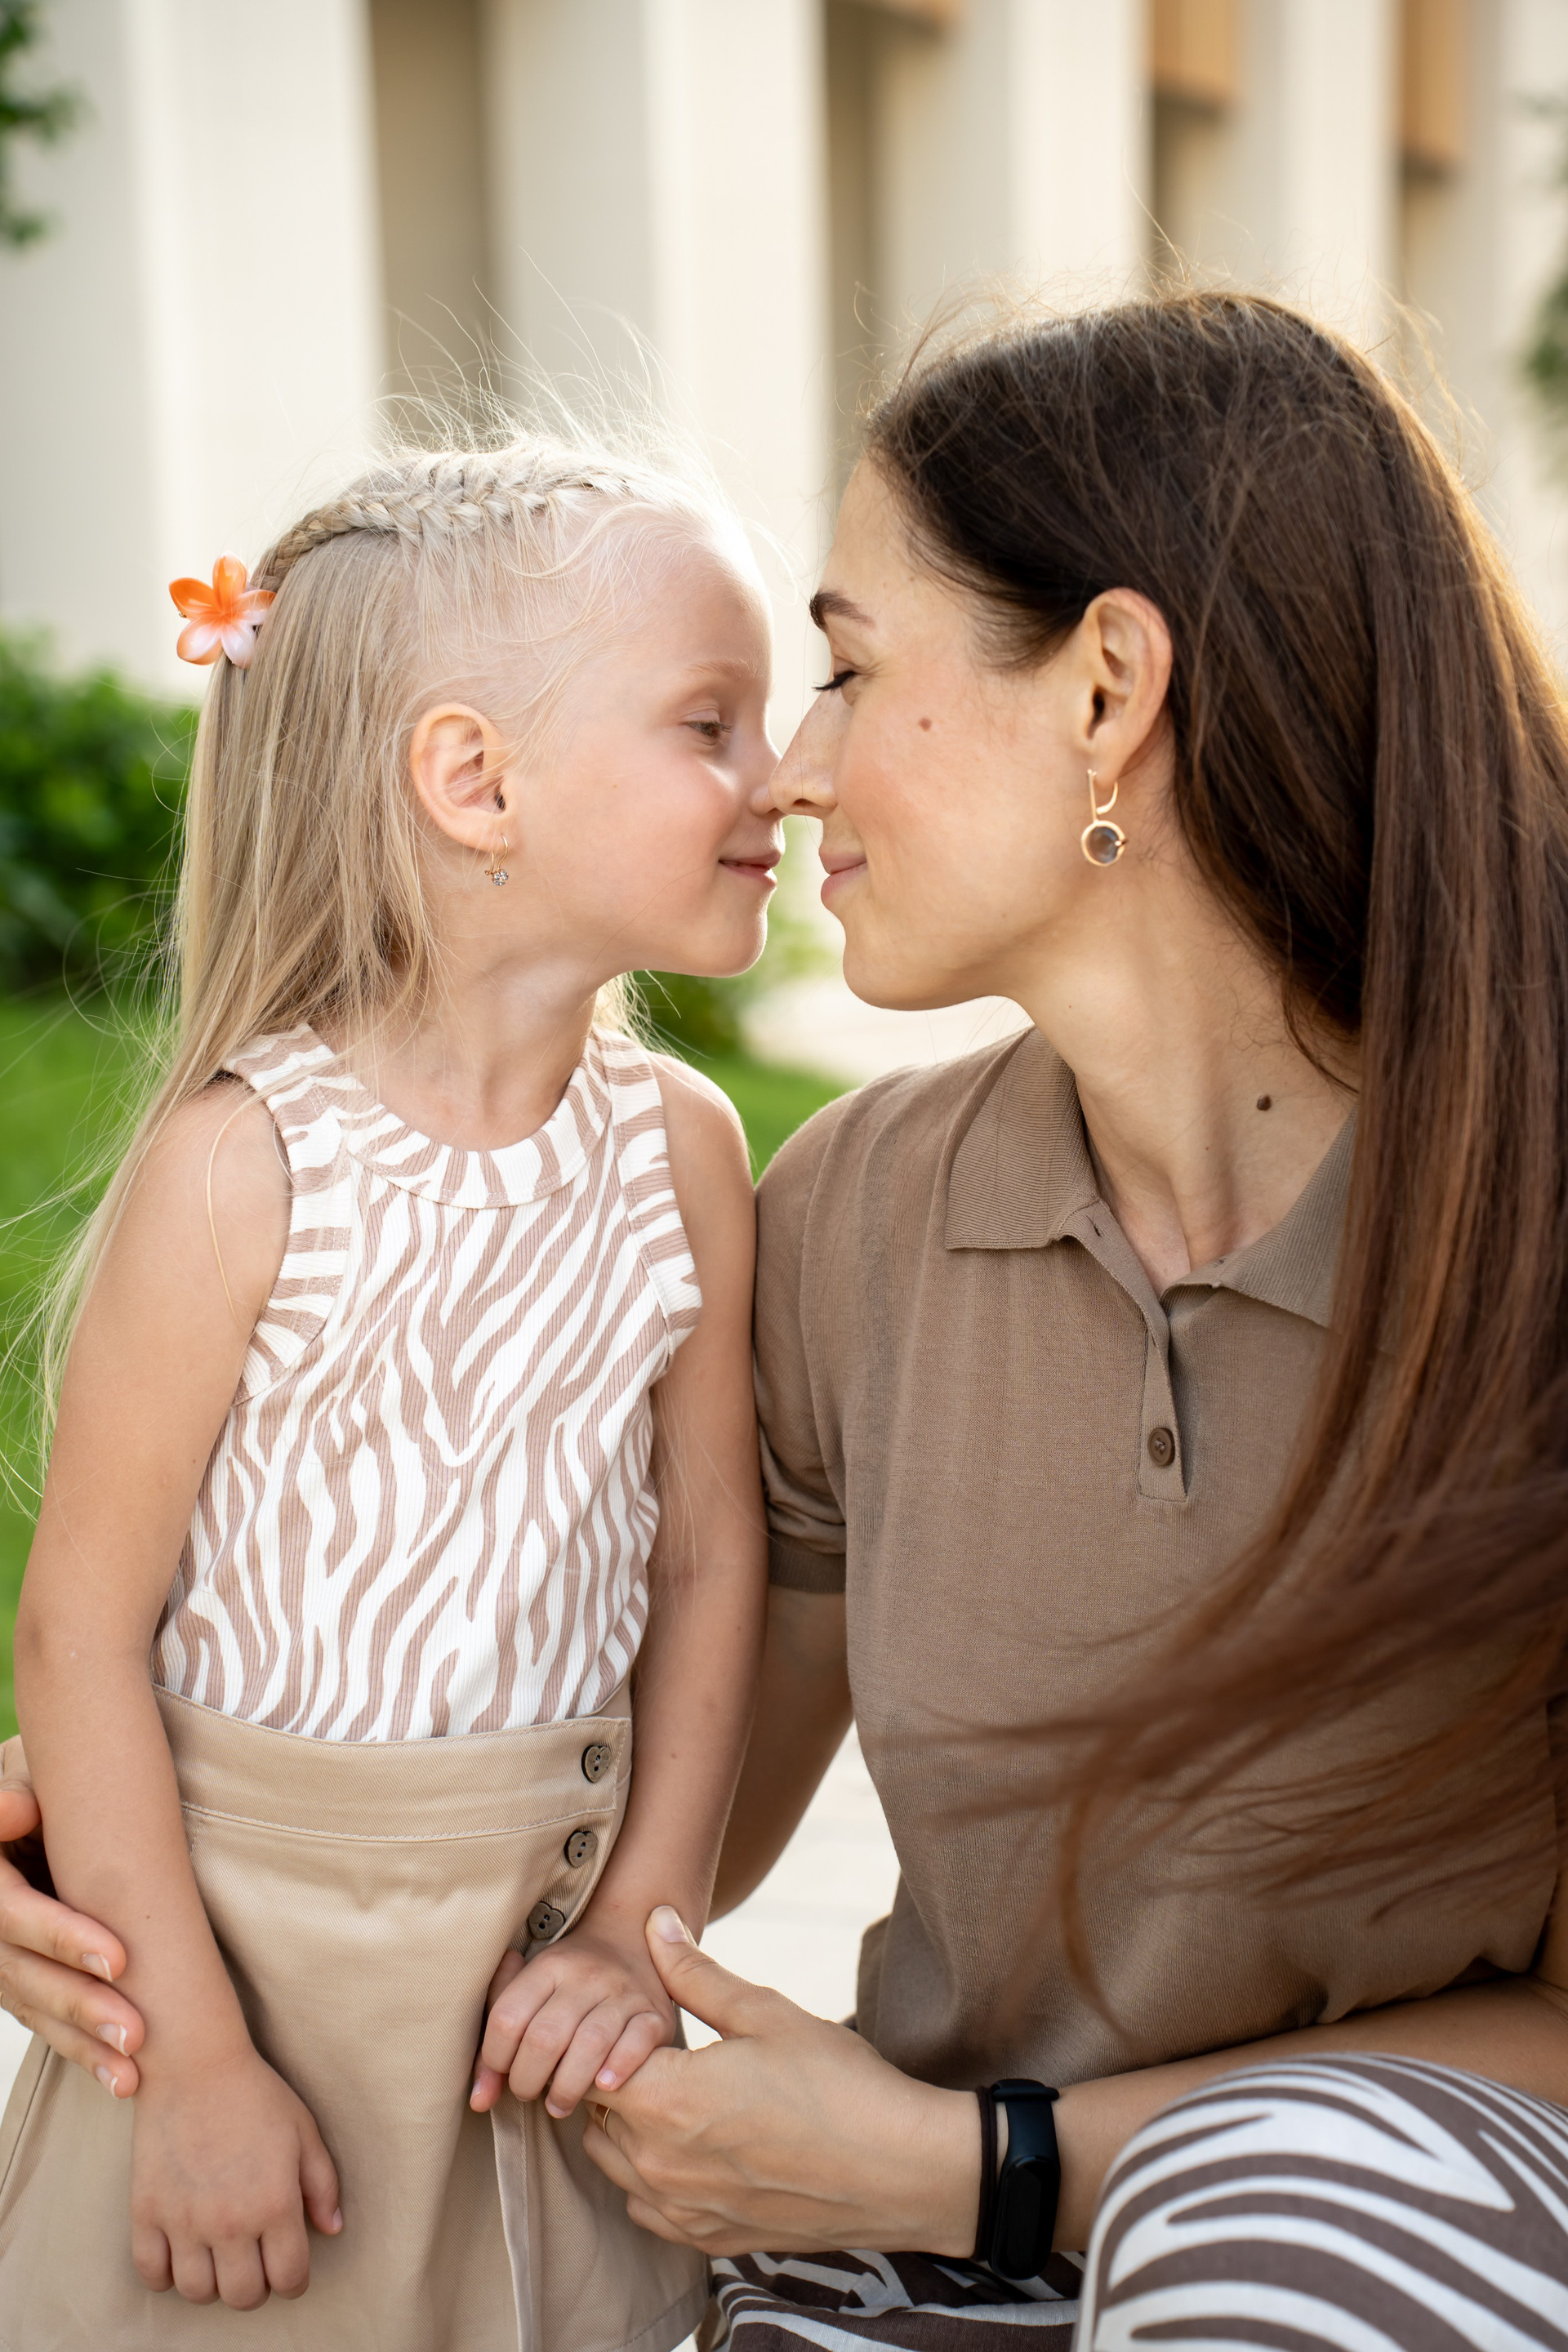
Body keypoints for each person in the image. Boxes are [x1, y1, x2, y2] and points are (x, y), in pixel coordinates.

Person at [8, 291, 1568, 2351]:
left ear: (1110, 693)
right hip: (923, 2256)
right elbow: (640, 1767)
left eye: (842, 670)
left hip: (1368, 2247)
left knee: (1269, 2262)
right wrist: (137, 1845)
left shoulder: (1526, 1237)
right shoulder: (851, 1221)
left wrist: (977, 2165)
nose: (799, 771)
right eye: (728, 712)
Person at [0, 435, 772, 2350]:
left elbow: (706, 1561)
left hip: (534, 1991)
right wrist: (189, 2061)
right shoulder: (246, 1171)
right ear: (473, 779)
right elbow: (82, 1631)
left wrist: (639, 1928)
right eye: (712, 724)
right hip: (238, 1981)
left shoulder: (680, 1151)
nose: (780, 775)